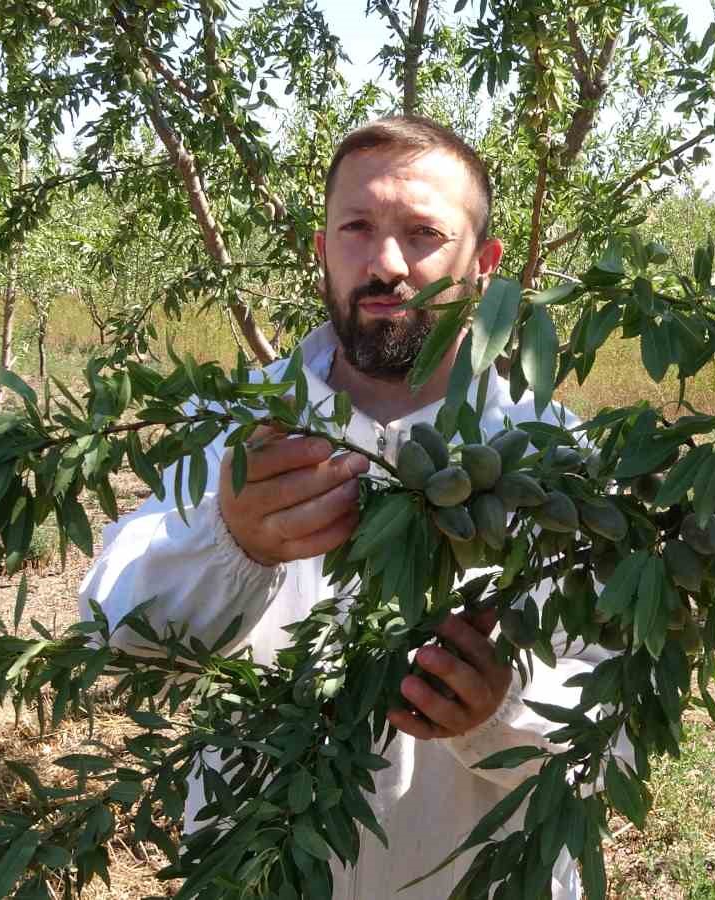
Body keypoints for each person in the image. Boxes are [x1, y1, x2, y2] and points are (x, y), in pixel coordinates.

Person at [78, 115, 623, 899]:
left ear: (485, 267)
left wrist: (504, 708)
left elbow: (620, 718)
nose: (387, 263)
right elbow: (114, 627)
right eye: (357, 229)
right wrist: (230, 543)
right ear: (322, 251)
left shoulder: (556, 461)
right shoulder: (234, 428)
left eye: (425, 234)